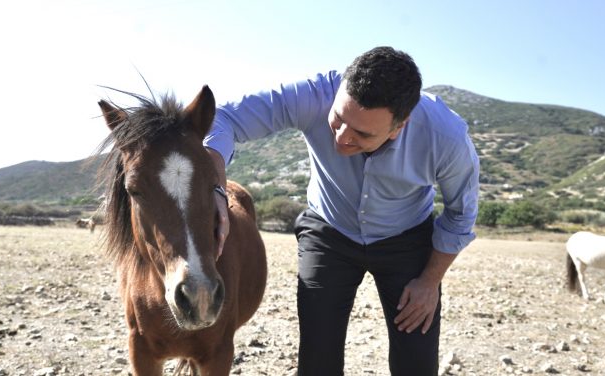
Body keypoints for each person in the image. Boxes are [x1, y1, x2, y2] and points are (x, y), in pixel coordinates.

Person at [204, 46, 479, 376]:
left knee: (416, 363)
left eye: (362, 133)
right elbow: (224, 117)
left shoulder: (446, 137)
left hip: (407, 241)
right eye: (338, 119)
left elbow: (460, 214)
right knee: (317, 361)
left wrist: (429, 281)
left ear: (399, 127)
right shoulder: (314, 95)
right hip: (328, 234)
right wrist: (216, 187)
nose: (341, 138)